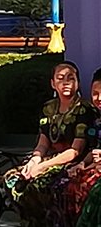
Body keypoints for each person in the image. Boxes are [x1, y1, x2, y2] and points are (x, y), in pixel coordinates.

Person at [5, 61, 94, 226]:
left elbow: (75, 151)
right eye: (60, 78)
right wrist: (34, 160)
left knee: (39, 184)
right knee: (12, 178)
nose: (66, 82)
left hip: (69, 161)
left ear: (77, 82)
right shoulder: (48, 108)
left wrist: (43, 167)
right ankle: (30, 221)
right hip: (48, 158)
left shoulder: (84, 109)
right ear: (53, 83)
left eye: (71, 78)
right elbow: (43, 141)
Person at [65, 68, 101, 225]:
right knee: (69, 182)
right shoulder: (97, 120)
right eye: (95, 93)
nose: (99, 98)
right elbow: (95, 149)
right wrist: (82, 163)